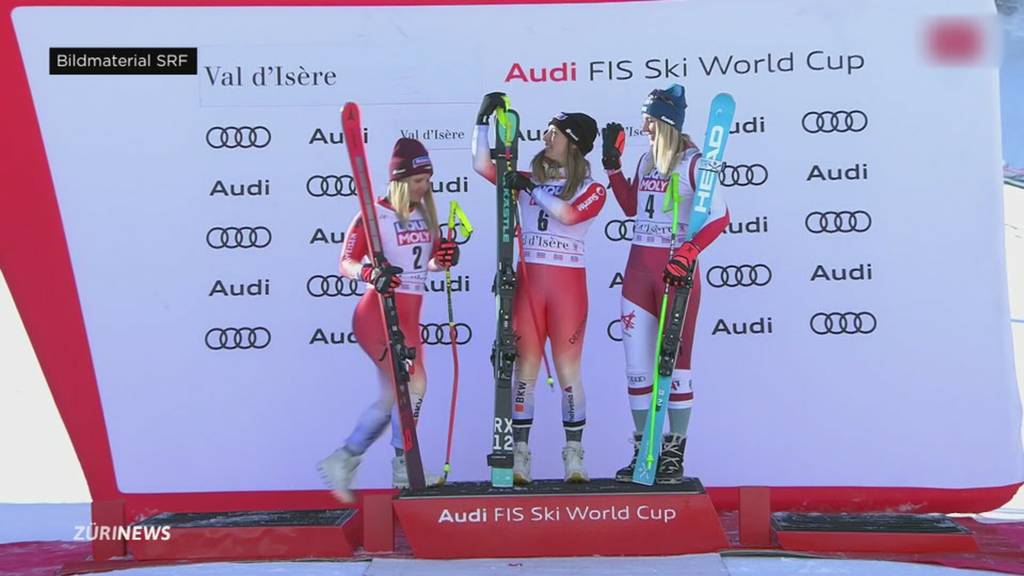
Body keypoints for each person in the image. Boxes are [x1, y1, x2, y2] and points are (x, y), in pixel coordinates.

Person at [473, 93, 607, 484]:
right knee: (524, 372)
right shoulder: (529, 179)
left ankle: (574, 456)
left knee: (568, 372)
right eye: (546, 130)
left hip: (567, 290)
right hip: (530, 285)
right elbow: (482, 164)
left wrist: (529, 189)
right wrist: (482, 123)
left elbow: (568, 214)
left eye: (555, 132)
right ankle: (519, 455)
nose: (546, 137)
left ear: (574, 142)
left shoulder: (592, 187)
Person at [318, 138, 459, 502]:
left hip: (410, 316)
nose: (424, 187)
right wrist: (371, 273)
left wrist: (442, 259)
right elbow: (345, 262)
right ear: (398, 180)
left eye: (427, 180)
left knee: (393, 398)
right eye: (416, 180)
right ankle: (402, 464)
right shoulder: (374, 214)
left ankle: (344, 458)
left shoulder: (426, 215)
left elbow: (424, 264)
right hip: (378, 314)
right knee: (412, 386)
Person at [602, 84, 730, 484]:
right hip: (638, 273)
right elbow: (630, 207)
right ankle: (645, 449)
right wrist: (612, 168)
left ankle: (673, 452)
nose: (644, 128)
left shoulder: (694, 163)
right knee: (637, 370)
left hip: (676, 276)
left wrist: (689, 252)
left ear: (667, 123)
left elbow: (720, 217)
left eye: (651, 121)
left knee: (678, 368)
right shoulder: (645, 162)